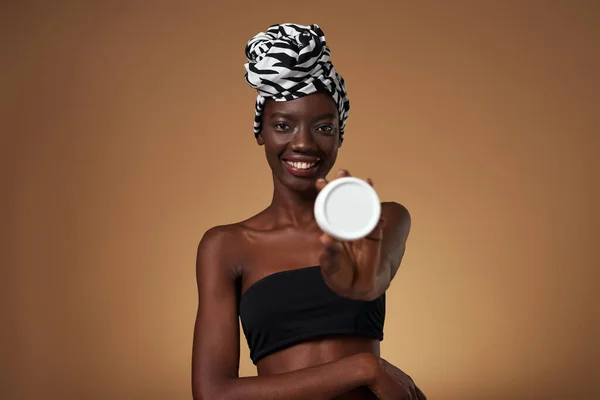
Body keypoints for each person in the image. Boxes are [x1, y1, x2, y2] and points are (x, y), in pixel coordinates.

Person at [191, 23, 426, 400]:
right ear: (261, 132)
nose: (303, 143)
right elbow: (213, 393)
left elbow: (371, 281)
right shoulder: (225, 246)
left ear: (338, 135)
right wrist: (364, 367)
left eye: (323, 127)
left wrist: (359, 275)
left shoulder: (381, 220)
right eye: (283, 125)